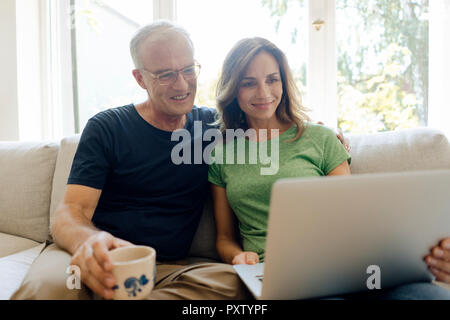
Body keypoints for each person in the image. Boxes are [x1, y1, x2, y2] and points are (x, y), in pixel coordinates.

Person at [11, 20, 250, 300]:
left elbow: (269, 133)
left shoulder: (212, 128)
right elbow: (69, 213)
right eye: (165, 75)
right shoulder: (108, 127)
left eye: (188, 70)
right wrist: (92, 241)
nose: (182, 84)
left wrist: (306, 130)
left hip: (165, 269)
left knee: (238, 285)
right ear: (140, 79)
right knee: (45, 290)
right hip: (93, 259)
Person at [208, 37, 450, 299]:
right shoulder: (222, 154)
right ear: (233, 89)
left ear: (284, 83)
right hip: (289, 277)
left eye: (272, 79)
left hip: (353, 264)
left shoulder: (321, 138)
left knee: (430, 296)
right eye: (248, 83)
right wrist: (238, 256)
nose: (263, 92)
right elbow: (224, 237)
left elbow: (350, 216)